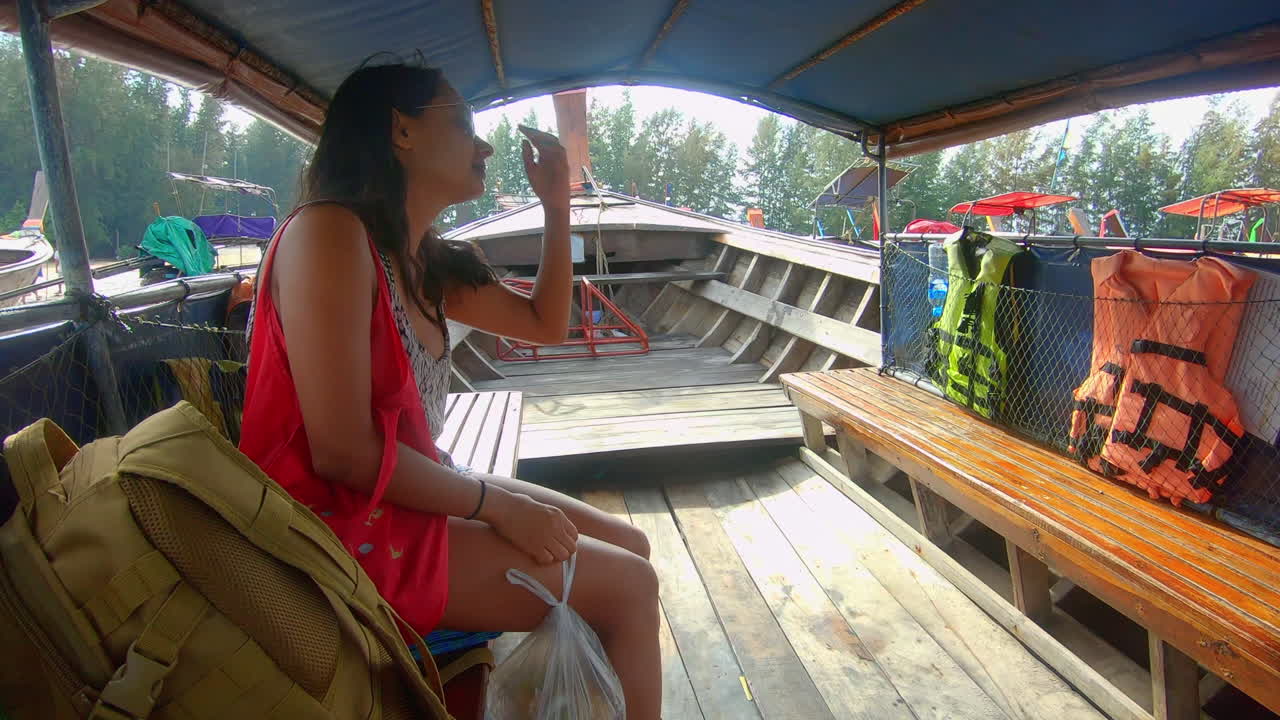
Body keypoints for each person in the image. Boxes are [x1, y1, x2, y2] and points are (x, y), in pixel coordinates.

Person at [238, 60, 661, 718]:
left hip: (405, 494)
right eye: (464, 124)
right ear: (400, 131)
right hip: (328, 530)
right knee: (630, 587)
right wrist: (494, 504)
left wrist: (557, 203)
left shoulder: (424, 260)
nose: (485, 145)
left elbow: (544, 324)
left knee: (632, 548)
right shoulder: (328, 234)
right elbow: (342, 452)